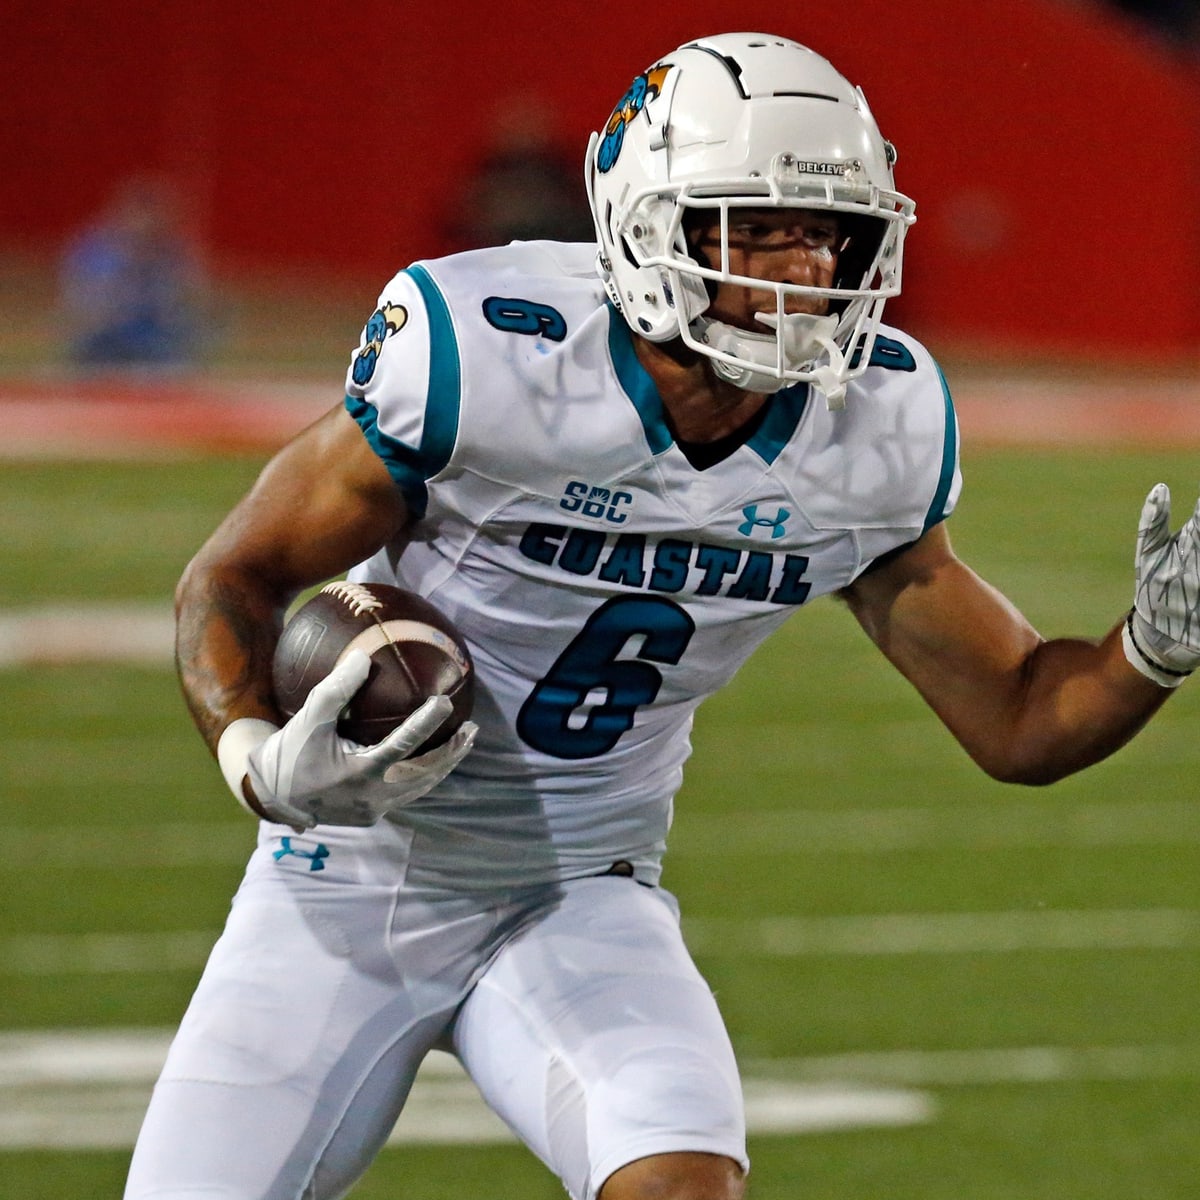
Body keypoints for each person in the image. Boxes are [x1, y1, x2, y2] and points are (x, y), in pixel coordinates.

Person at [125, 32, 1200, 1200]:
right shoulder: (492, 357)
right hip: (341, 882)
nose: (806, 267)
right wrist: (258, 762)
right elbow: (231, 578)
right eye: (762, 228)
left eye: (828, 232)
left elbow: (1018, 721)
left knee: (681, 1185)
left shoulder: (874, 429)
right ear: (650, 225)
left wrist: (1149, 650)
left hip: (582, 892)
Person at [59, 172, 211, 371]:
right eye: (141, 214)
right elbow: (83, 304)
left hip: (153, 339)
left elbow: (192, 300)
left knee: (172, 362)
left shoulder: (172, 253)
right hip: (105, 337)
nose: (147, 223)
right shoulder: (98, 250)